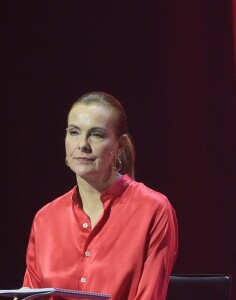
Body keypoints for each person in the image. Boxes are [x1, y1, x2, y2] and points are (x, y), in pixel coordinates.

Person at [22, 91, 178, 300]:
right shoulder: (45, 218)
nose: (82, 144)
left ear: (119, 145)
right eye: (74, 132)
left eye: (96, 134)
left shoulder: (153, 209)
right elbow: (31, 291)